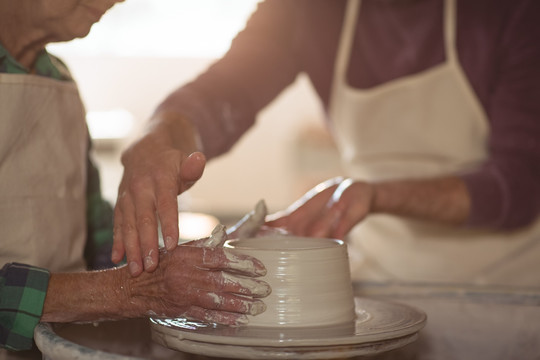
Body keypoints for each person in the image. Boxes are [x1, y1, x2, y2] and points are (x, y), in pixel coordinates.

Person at [114, 0, 540, 358]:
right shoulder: (308, 8)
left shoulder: (515, 11)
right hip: (383, 282)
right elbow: (225, 92)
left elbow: (520, 184)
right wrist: (161, 134)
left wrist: (372, 195)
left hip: (508, 293)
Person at [0, 1, 270, 358]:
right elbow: (119, 285)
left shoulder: (58, 81)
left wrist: (192, 262)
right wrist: (132, 290)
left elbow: (98, 244)